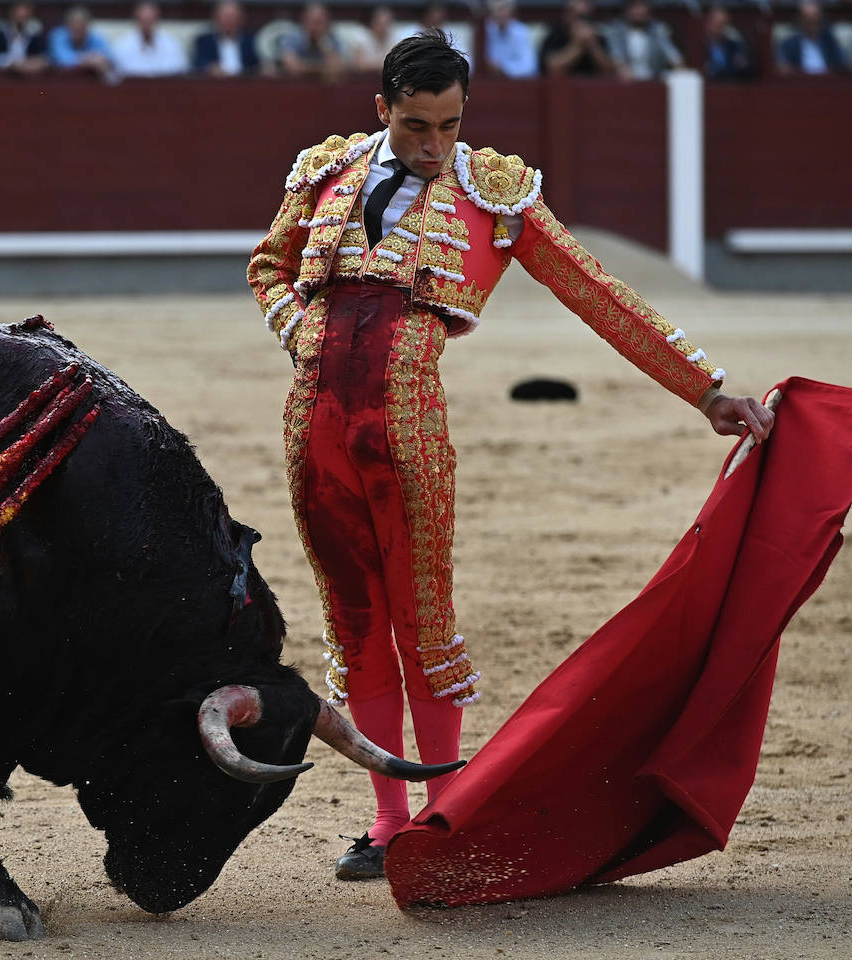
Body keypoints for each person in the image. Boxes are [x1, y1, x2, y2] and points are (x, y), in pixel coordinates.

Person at [246, 30, 774, 882]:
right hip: (312, 426)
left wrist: (706, 389)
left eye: (450, 126)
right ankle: (387, 825)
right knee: (354, 623)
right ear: (381, 110)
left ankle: (442, 813)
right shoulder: (324, 171)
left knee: (423, 621)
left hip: (408, 426)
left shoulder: (495, 196)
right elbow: (268, 268)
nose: (433, 146)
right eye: (417, 126)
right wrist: (298, 327)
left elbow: (595, 290)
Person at [603, 0, 684, 81]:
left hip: (654, 80)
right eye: (636, 6)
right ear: (627, 9)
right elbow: (617, 58)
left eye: (643, 6)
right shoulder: (615, 29)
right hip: (626, 81)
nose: (640, 11)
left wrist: (681, 71)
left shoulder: (657, 29)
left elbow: (674, 56)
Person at [111, 1, 187, 78]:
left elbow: (182, 72)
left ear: (157, 18)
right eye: (143, 20)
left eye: (150, 19)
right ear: (136, 18)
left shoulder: (172, 43)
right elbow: (116, 76)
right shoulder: (122, 45)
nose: (147, 23)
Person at [393, 2, 473, 74]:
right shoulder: (407, 33)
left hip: (444, 80)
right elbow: (400, 62)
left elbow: (467, 64)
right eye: (434, 12)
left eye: (440, 12)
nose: (438, 16)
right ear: (425, 14)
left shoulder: (452, 35)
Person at [539, 0, 613, 76]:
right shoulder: (556, 36)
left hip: (594, 86)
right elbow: (551, 69)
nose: (582, 22)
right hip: (563, 86)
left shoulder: (598, 38)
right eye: (579, 17)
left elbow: (610, 71)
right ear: (567, 16)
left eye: (586, 18)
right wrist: (577, 45)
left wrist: (593, 46)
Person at [277, 2, 347, 82]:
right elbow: (292, 67)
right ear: (304, 21)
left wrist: (327, 47)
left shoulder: (333, 39)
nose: (315, 27)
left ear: (327, 23)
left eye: (319, 23)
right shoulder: (291, 38)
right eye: (312, 22)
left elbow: (337, 68)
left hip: (323, 87)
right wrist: (324, 68)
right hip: (296, 86)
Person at [776, 0, 848, 75]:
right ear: (800, 20)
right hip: (800, 83)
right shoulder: (789, 44)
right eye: (808, 21)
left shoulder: (829, 42)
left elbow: (843, 62)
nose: (812, 24)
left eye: (815, 21)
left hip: (828, 83)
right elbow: (783, 67)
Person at [192, 0, 260, 77]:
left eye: (232, 17)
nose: (229, 21)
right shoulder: (204, 41)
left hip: (247, 84)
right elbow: (198, 64)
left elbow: (258, 65)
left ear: (241, 18)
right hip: (215, 84)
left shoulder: (252, 41)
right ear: (216, 18)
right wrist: (210, 68)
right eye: (225, 17)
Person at [0, 0, 48, 75]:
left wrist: (33, 63)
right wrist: (12, 63)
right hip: (2, 78)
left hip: (29, 77)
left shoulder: (34, 34)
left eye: (27, 11)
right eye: (21, 10)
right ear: (11, 11)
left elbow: (42, 57)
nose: (24, 14)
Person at [47, 5, 113, 79]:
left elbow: (109, 57)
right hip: (61, 81)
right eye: (74, 24)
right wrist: (87, 60)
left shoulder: (96, 37)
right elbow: (62, 59)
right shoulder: (58, 36)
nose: (78, 27)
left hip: (90, 82)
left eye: (81, 25)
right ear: (66, 25)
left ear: (88, 25)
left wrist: (100, 60)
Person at [483, 0, 537, 78]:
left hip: (517, 85)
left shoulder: (521, 32)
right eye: (496, 10)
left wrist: (503, 69)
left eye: (502, 9)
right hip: (490, 82)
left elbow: (529, 67)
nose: (500, 14)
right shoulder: (485, 30)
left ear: (511, 11)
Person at [703, 4, 754, 81]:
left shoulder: (734, 46)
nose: (720, 29)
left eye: (724, 24)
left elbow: (745, 69)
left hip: (729, 87)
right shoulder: (700, 46)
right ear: (708, 23)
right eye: (717, 24)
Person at [348, 6, 401, 72]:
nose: (384, 27)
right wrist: (383, 64)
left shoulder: (394, 37)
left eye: (387, 23)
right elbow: (360, 66)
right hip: (363, 78)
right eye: (380, 23)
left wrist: (374, 64)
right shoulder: (360, 36)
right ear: (372, 22)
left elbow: (399, 64)